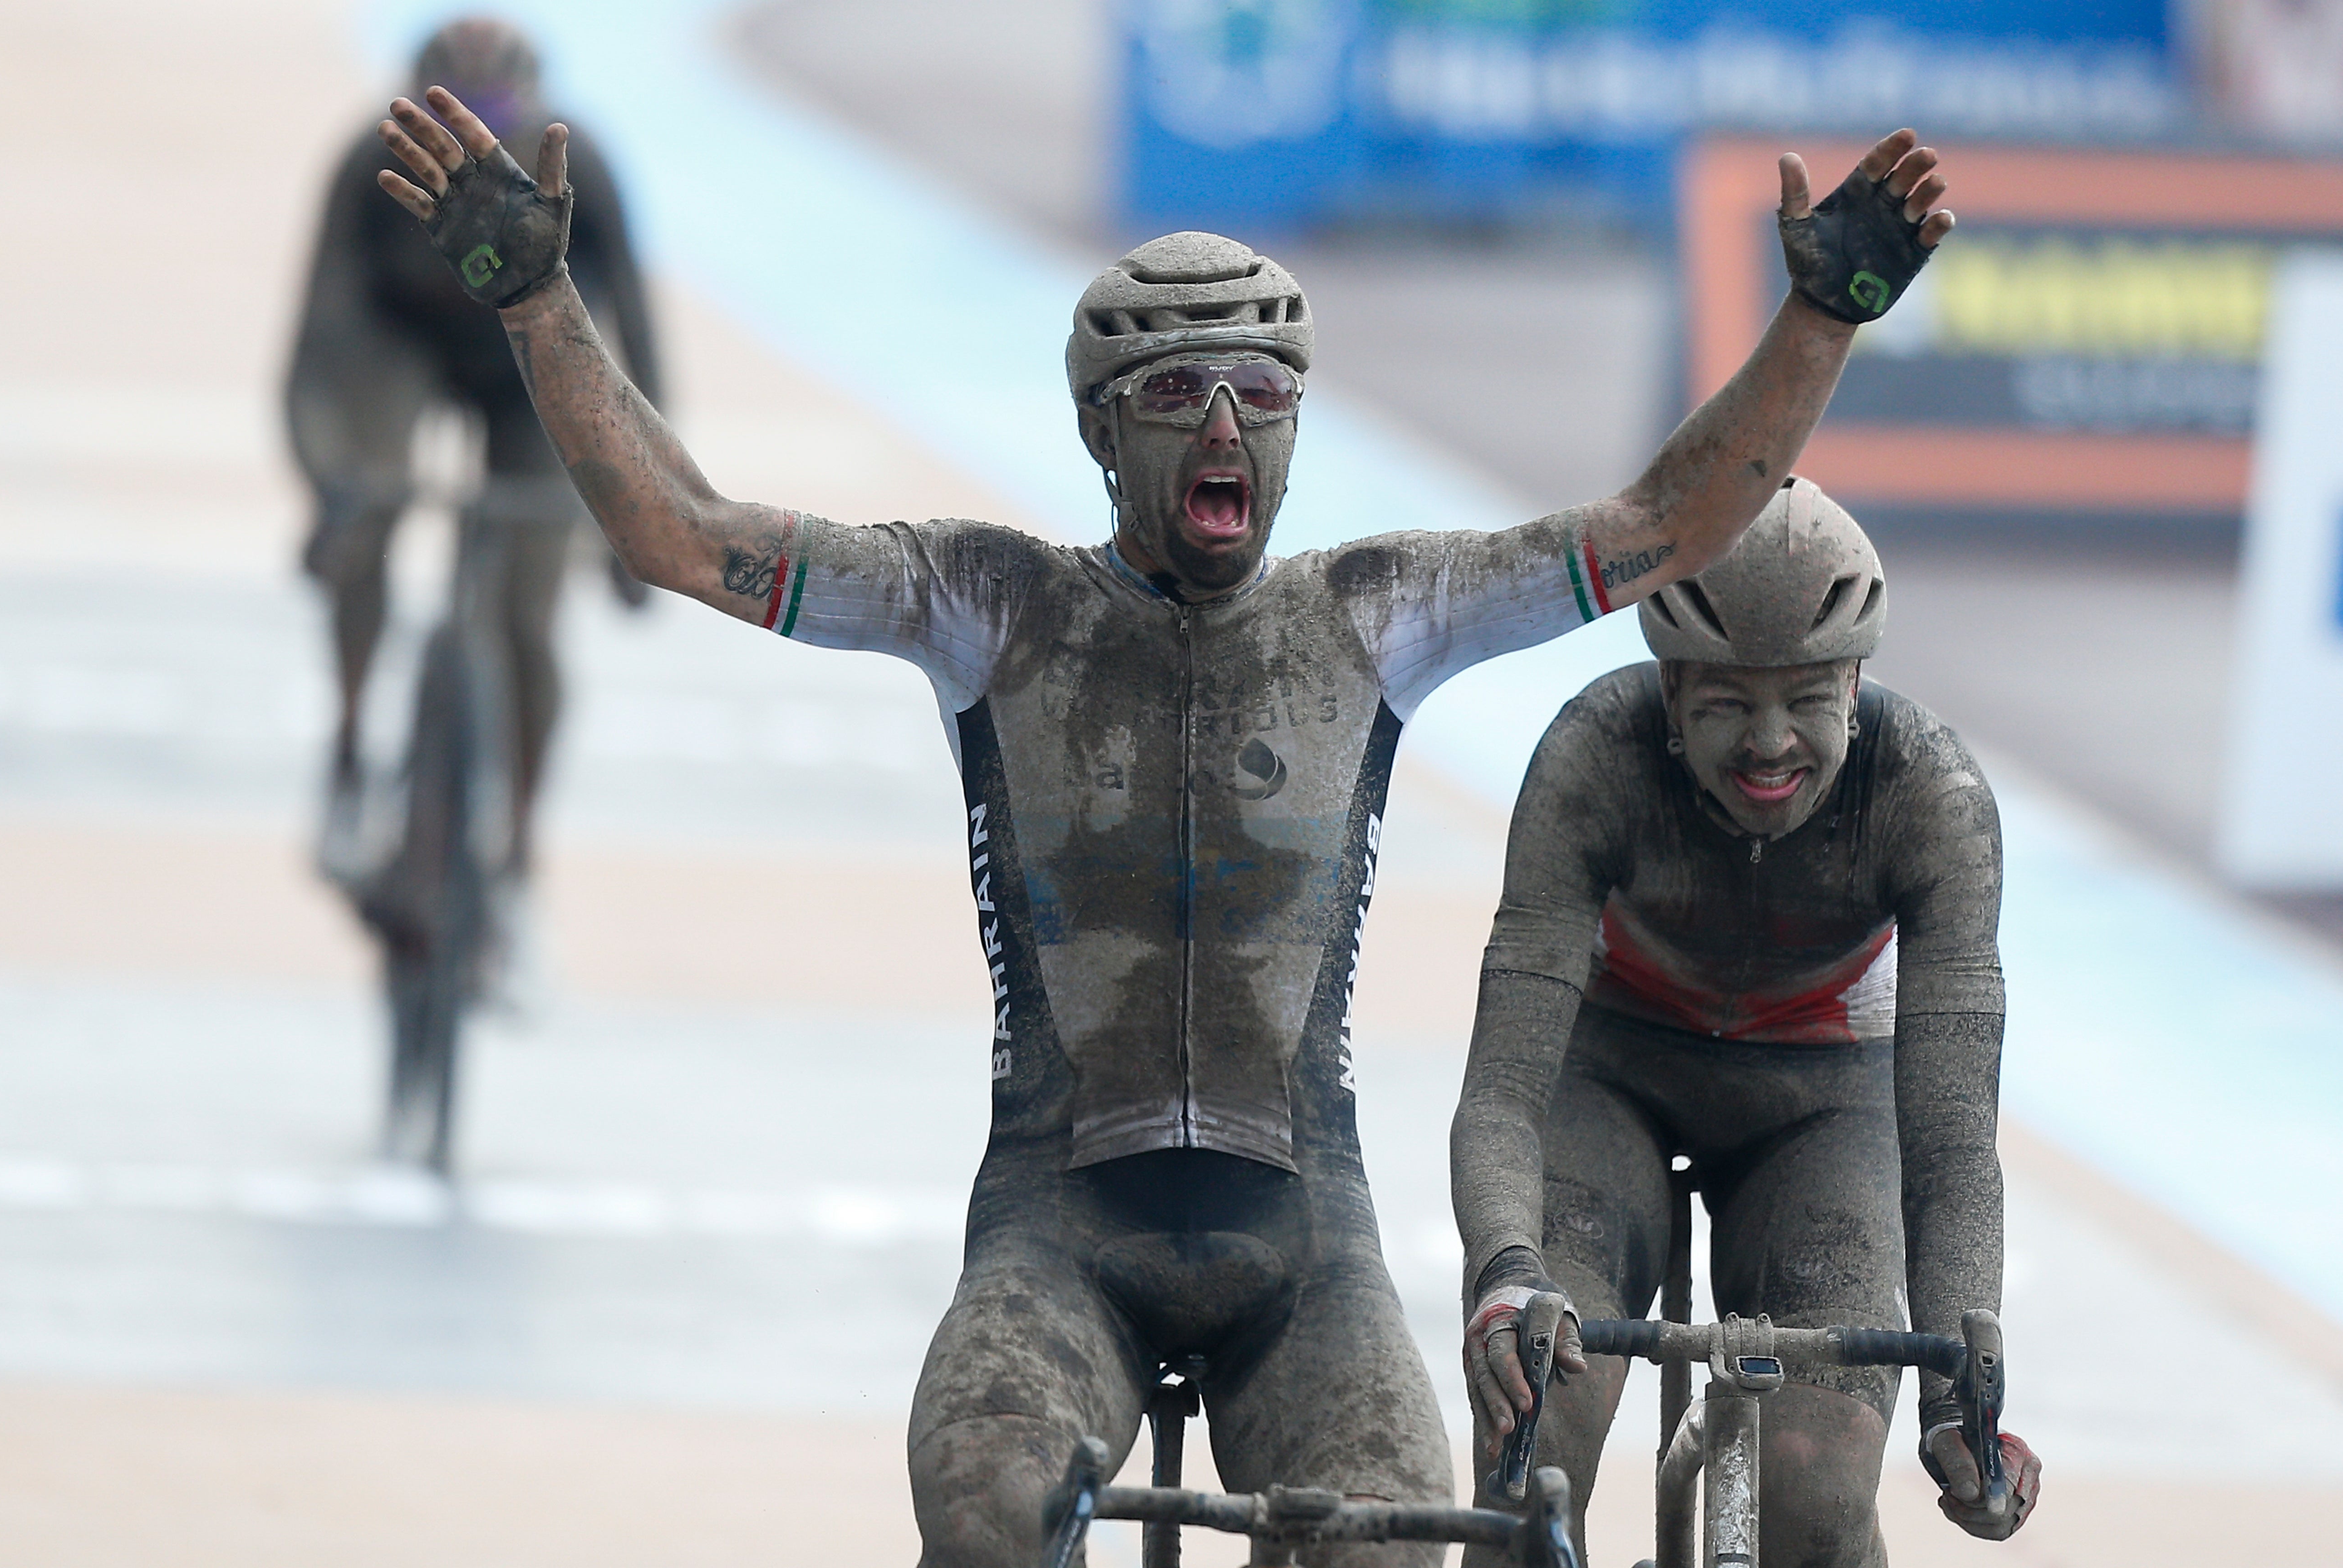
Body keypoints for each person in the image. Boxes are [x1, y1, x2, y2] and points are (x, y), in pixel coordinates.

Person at [370, 79, 1950, 1565]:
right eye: (1175, 393)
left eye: (1261, 394)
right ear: (1098, 432)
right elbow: (681, 536)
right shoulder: (984, 599)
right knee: (988, 1508)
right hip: (1061, 1231)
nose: (1223, 430)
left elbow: (1667, 518)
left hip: (1302, 1247)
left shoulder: (1376, 611)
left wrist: (1818, 322)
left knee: (1397, 1539)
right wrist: (533, 303)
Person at [1450, 479, 2043, 1565]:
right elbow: (1500, 1094)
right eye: (1727, 703)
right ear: (1668, 693)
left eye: (1807, 697)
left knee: (1813, 1498)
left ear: (1857, 681)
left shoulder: (1932, 795)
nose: (1772, 744)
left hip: (1819, 1103)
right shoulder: (1593, 756)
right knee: (1531, 1452)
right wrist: (1503, 1273)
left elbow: (1954, 1150)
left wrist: (1961, 1400)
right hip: (1610, 1079)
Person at [285, 17, 659, 937]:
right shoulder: (364, 173)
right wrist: (329, 486)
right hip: (398, 346)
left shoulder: (591, 172)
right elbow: (314, 351)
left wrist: (642, 520)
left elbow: (637, 354)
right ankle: (347, 746)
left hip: (530, 361)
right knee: (365, 517)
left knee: (529, 614)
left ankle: (520, 857)